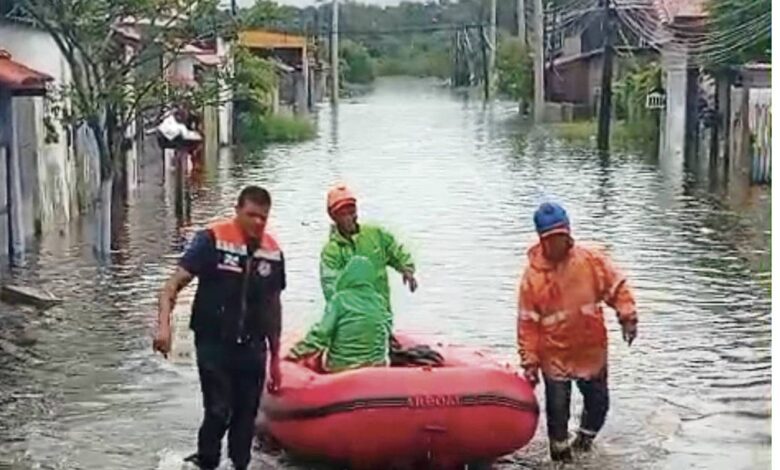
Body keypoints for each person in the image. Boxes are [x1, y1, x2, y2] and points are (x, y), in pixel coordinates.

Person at [153, 185, 286, 470]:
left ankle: (239, 465)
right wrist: (163, 327)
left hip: (252, 346)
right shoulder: (211, 240)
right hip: (214, 342)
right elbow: (171, 286)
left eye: (263, 217)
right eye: (251, 215)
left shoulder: (272, 253)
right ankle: (207, 462)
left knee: (246, 417)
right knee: (218, 411)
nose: (257, 223)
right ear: (237, 211)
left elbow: (273, 308)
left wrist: (276, 360)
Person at [516, 202, 638, 462]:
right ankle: (560, 458)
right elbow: (527, 324)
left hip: (590, 350)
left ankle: (584, 442)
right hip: (554, 354)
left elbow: (617, 287)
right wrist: (530, 362)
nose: (557, 244)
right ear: (541, 240)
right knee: (557, 412)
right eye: (551, 239)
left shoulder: (590, 261)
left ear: (569, 233)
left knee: (599, 404)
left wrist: (628, 317)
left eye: (561, 236)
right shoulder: (533, 278)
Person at [320, 183, 417, 312]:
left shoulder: (375, 234)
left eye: (352, 211)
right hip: (351, 318)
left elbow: (395, 250)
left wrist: (407, 269)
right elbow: (330, 287)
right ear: (334, 217)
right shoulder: (331, 251)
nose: (349, 217)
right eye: (343, 213)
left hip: (381, 312)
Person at [287, 256, 392, 373]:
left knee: (317, 353)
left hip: (341, 367)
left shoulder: (339, 300)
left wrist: (294, 354)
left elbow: (322, 334)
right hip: (376, 369)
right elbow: (386, 330)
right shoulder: (380, 302)